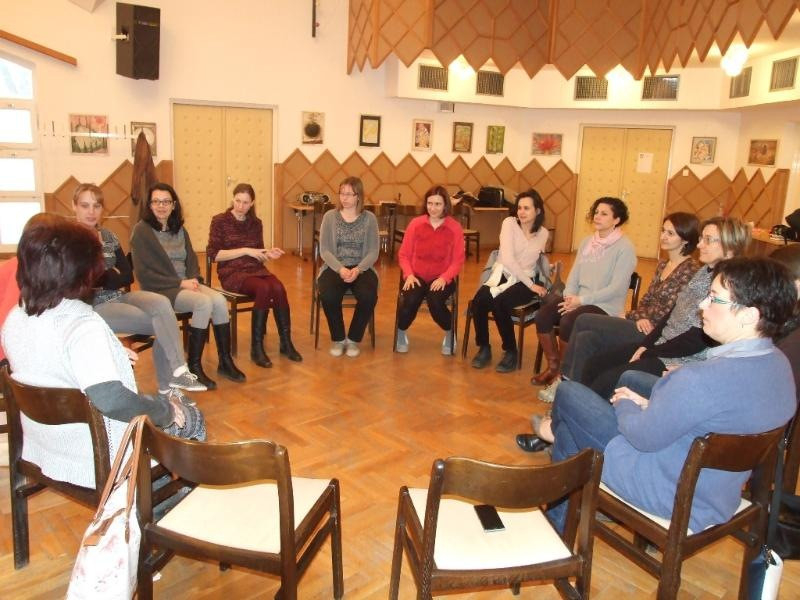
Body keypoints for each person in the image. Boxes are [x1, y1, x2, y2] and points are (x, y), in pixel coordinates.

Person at [543, 257, 797, 532]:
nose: (703, 305)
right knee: (576, 428)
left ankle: (555, 446)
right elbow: (720, 415)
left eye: (714, 298)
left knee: (569, 394)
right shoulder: (780, 367)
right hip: (716, 492)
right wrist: (656, 402)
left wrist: (627, 404)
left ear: (749, 315)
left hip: (666, 490)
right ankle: (559, 524)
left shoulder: (700, 379)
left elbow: (641, 436)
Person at [1, 214, 205, 489]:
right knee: (192, 418)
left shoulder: (16, 318)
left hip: (43, 447)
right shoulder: (82, 324)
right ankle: (162, 504)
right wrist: (165, 410)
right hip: (95, 458)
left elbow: (50, 363)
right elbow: (112, 401)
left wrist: (112, 352)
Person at [520, 216, 753, 452]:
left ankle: (563, 431)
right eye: (702, 238)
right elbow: (670, 314)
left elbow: (697, 339)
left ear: (730, 246)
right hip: (660, 344)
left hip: (676, 359)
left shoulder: (728, 285)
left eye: (708, 240)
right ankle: (567, 426)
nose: (700, 244)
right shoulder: (704, 271)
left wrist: (650, 349)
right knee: (593, 364)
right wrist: (646, 345)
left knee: (608, 378)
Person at [539, 212, 699, 401]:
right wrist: (638, 316)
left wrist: (635, 317)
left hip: (654, 332)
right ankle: (575, 389)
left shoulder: (690, 270)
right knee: (585, 337)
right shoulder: (663, 264)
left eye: (670, 233)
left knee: (582, 320)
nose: (663, 236)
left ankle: (563, 380)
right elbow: (647, 299)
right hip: (641, 322)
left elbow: (671, 311)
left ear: (685, 239)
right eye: (663, 231)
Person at [71, 183, 205, 396]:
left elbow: (127, 276)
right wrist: (107, 275)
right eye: (85, 205)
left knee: (161, 304)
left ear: (102, 209)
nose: (91, 211)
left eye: (96, 206)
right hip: (94, 304)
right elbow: (77, 281)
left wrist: (105, 275)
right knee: (163, 323)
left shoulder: (109, 236)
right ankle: (168, 387)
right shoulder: (69, 239)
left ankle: (178, 371)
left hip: (120, 295)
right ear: (74, 207)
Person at [131, 182, 244, 389]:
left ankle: (225, 361)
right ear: (149, 205)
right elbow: (144, 275)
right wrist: (180, 282)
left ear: (173, 205)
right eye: (156, 202)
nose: (161, 206)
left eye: (166, 202)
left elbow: (191, 259)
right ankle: (194, 366)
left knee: (219, 301)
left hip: (185, 283)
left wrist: (194, 279)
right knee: (203, 303)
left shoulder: (179, 229)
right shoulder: (141, 231)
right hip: (161, 289)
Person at [530, 197, 637, 384]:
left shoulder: (625, 248)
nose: (597, 216)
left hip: (605, 305)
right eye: (596, 212)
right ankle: (553, 366)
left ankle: (563, 374)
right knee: (543, 315)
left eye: (604, 214)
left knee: (569, 320)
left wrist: (581, 301)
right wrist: (569, 297)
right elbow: (574, 275)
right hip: (578, 300)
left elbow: (616, 288)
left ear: (617, 220)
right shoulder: (588, 241)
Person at [207, 183, 302, 368]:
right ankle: (256, 348)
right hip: (231, 272)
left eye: (245, 203)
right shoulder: (220, 221)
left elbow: (259, 253)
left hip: (255, 269)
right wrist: (245, 250)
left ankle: (286, 343)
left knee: (278, 287)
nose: (240, 206)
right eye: (237, 201)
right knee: (264, 288)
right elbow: (214, 255)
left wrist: (268, 254)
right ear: (233, 199)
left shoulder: (256, 223)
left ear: (252, 203)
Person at [470, 189, 549, 372]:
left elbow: (537, 259)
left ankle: (511, 351)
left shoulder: (543, 233)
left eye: (526, 208)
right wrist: (532, 285)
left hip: (526, 279)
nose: (521, 212)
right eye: (519, 207)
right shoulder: (509, 224)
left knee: (501, 303)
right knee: (479, 301)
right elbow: (508, 260)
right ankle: (484, 347)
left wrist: (544, 274)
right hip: (504, 272)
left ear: (537, 211)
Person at [395, 185, 465, 355]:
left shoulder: (454, 228)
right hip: (415, 275)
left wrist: (444, 278)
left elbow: (458, 260)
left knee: (435, 302)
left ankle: (450, 332)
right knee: (410, 300)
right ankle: (401, 331)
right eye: (430, 203)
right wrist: (409, 275)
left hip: (441, 277)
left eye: (438, 204)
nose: (433, 208)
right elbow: (403, 254)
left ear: (445, 205)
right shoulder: (415, 224)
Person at [317, 176, 379, 357]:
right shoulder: (330, 216)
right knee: (328, 295)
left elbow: (373, 251)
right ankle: (338, 338)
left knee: (368, 296)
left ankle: (353, 339)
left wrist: (358, 269)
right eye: (342, 193)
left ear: (358, 196)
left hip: (362, 267)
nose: (344, 198)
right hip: (335, 266)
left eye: (349, 194)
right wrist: (340, 269)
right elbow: (325, 250)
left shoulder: (369, 219)